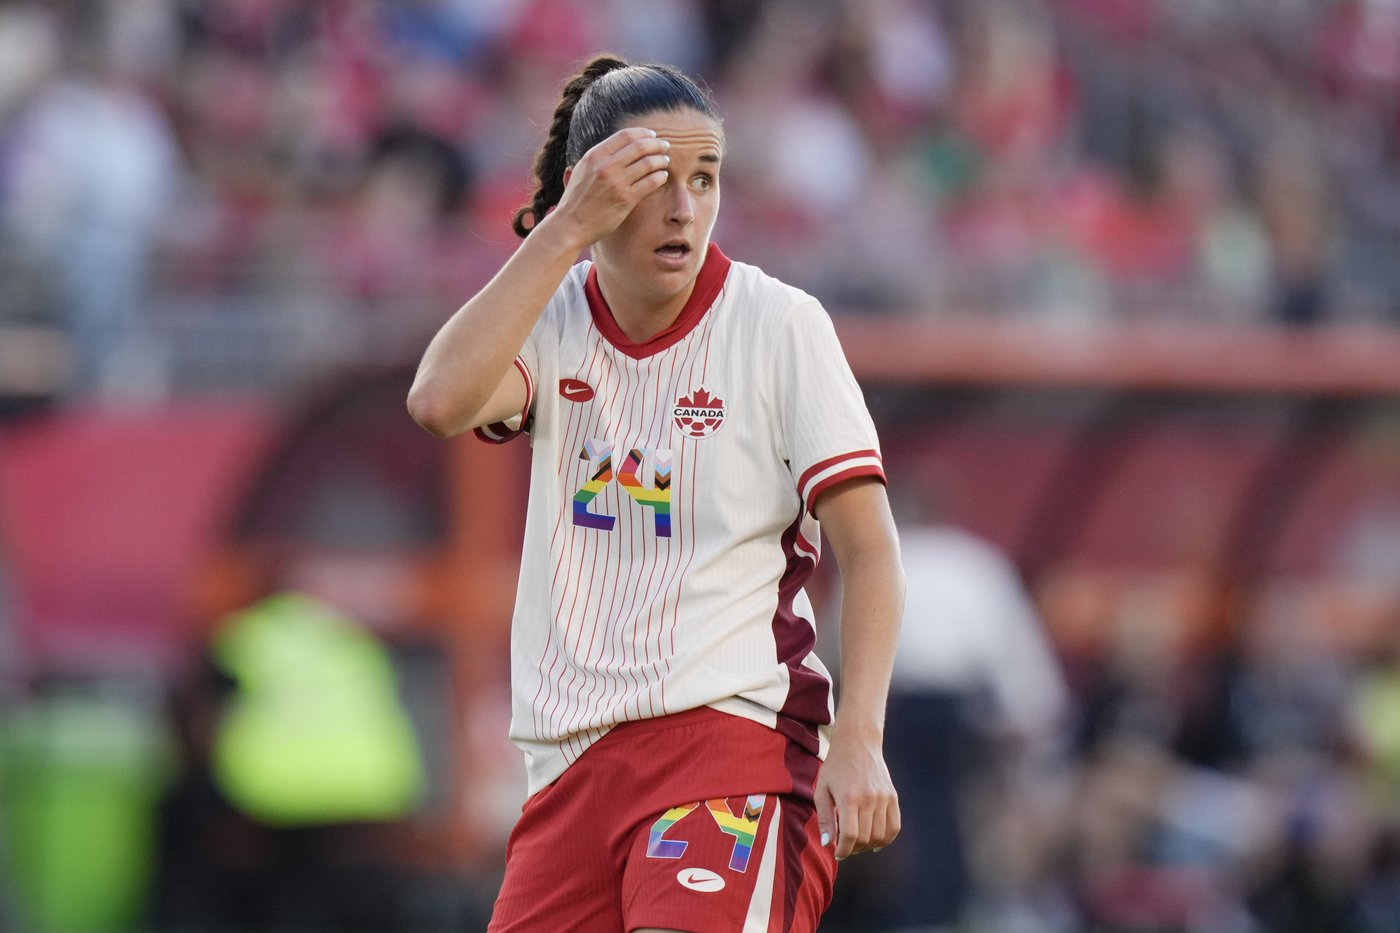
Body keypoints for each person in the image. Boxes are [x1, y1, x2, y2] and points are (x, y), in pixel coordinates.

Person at [407, 54, 904, 932]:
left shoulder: (778, 324)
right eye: (653, 179)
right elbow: (439, 403)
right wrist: (560, 232)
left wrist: (859, 738)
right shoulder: (551, 318)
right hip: (571, 771)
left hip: (732, 747)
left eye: (705, 178)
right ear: (590, 190)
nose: (684, 207)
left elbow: (869, 550)